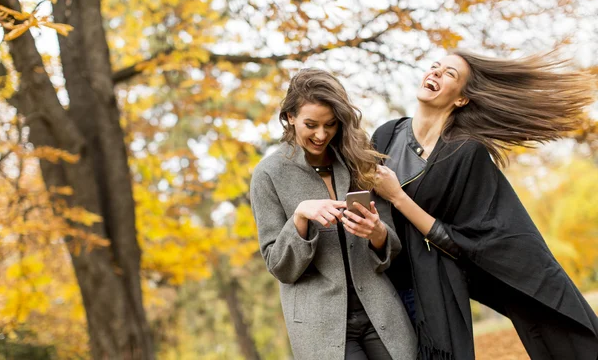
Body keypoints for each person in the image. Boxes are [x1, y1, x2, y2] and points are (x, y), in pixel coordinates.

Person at [372, 50, 598, 360]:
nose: (435, 73)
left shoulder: (465, 152)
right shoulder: (386, 135)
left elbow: (462, 243)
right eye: (435, 67)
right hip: (380, 288)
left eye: (449, 74)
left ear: (462, 99)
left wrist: (398, 197)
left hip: (427, 294)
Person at [250, 68, 417, 360]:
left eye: (330, 124)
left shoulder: (358, 161)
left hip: (380, 312)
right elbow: (279, 266)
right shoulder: (268, 174)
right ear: (290, 117)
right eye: (311, 124)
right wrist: (300, 218)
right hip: (320, 326)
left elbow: (392, 247)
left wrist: (377, 233)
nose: (321, 134)